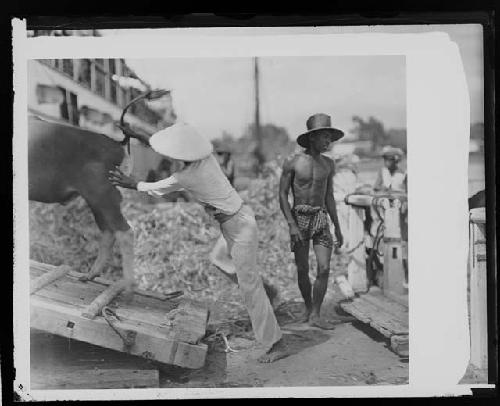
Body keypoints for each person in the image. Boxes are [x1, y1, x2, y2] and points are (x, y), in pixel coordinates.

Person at [109, 122, 289, 363]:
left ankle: (276, 342)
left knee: (249, 286)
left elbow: (151, 187)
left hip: (240, 226)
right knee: (218, 260)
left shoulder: (187, 176)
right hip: (237, 219)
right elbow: (163, 145)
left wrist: (129, 182)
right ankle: (269, 291)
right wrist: (137, 133)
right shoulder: (207, 158)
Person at [279, 113, 344, 329]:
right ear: (313, 137)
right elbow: (282, 194)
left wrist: (338, 226)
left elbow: (329, 197)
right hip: (299, 218)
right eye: (325, 137)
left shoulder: (328, 164)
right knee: (302, 268)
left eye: (330, 138)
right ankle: (307, 308)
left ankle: (316, 314)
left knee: (324, 268)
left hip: (320, 218)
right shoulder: (293, 162)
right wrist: (291, 224)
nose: (328, 142)